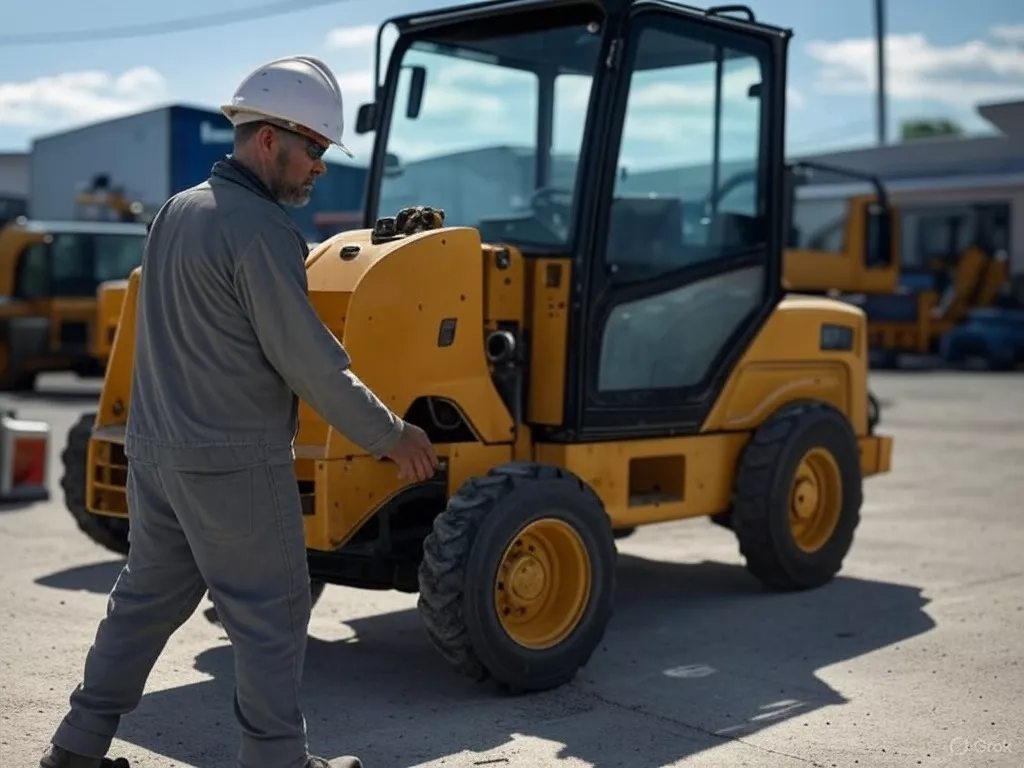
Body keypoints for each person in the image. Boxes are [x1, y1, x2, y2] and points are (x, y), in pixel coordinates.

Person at [40, 55, 439, 768]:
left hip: (159, 454)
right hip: (233, 462)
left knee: (144, 605)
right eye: (314, 149)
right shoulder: (261, 229)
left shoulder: (177, 211)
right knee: (272, 618)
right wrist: (390, 433)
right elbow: (309, 360)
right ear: (269, 141)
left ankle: (76, 748)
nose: (318, 166)